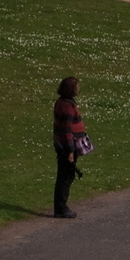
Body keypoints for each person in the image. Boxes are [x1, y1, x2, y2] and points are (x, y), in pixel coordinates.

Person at [52, 76, 85, 218]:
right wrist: (71, 151)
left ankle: (61, 207)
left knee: (65, 175)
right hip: (66, 146)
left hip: (62, 144)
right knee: (65, 177)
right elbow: (66, 131)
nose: (79, 89)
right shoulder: (67, 107)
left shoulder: (62, 102)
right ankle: (61, 208)